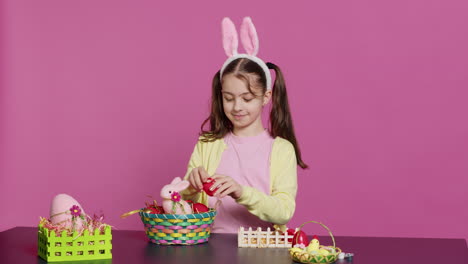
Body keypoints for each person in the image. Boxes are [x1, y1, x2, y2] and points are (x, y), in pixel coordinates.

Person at [181, 17, 307, 233]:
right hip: (211, 246)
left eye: (247, 98)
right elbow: (184, 202)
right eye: (228, 98)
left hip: (262, 249)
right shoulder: (208, 144)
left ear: (266, 97)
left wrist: (241, 192)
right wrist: (190, 186)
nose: (237, 107)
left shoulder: (281, 149)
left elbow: (284, 210)